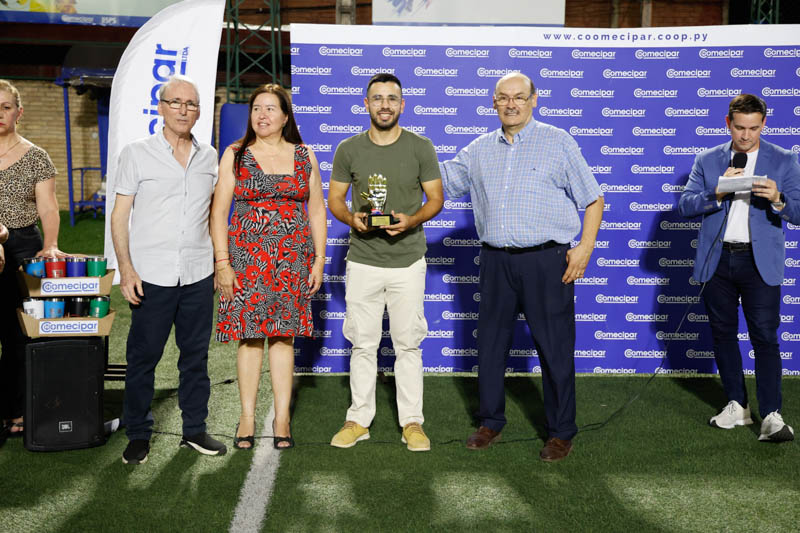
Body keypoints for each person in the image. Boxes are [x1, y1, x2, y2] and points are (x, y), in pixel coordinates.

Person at [439, 73, 603, 462]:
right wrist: (402, 156)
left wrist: (585, 247)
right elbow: (440, 180)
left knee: (555, 348)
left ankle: (561, 431)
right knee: (491, 345)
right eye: (503, 97)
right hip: (495, 260)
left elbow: (593, 198)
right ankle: (490, 421)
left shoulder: (558, 142)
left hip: (547, 260)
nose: (511, 104)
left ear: (533, 100)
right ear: (493, 103)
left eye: (519, 97)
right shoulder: (479, 149)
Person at [110, 75, 226, 464]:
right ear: (161, 107)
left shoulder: (209, 157)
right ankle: (138, 434)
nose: (183, 110)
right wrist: (126, 269)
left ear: (199, 112)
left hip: (197, 274)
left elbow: (213, 215)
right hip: (151, 276)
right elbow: (120, 216)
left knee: (195, 358)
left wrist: (217, 262)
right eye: (175, 102)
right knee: (143, 359)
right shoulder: (137, 153)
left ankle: (194, 430)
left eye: (191, 104)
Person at [328, 72, 443, 452]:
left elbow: (436, 200)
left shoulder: (421, 147)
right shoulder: (348, 149)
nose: (385, 105)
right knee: (363, 344)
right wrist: (352, 219)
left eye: (392, 98)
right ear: (366, 104)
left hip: (408, 261)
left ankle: (412, 422)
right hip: (363, 261)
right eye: (377, 98)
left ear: (402, 105)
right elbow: (335, 200)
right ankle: (359, 420)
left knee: (408, 344)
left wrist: (412, 220)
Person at [678, 94, 799, 442]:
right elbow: (686, 205)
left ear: (764, 125)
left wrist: (778, 199)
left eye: (754, 128)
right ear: (728, 123)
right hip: (718, 260)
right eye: (740, 127)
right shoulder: (707, 159)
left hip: (759, 262)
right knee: (722, 334)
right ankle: (737, 404)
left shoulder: (784, 159)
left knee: (764, 337)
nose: (746, 136)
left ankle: (771, 415)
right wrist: (717, 192)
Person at [212, 84, 326, 450]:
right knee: (249, 336)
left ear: (285, 116)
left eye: (270, 108)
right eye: (256, 108)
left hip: (292, 260)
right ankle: (247, 417)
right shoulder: (235, 154)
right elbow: (218, 212)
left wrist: (319, 260)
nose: (262, 115)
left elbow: (317, 211)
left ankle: (282, 418)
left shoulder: (304, 155)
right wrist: (222, 262)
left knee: (282, 336)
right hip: (246, 261)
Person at [0, 79, 64, 438]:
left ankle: (17, 409)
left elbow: (48, 207)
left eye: (6, 107)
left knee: (20, 334)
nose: (0, 113)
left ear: (19, 112)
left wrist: (50, 244)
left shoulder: (36, 156)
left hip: (24, 246)